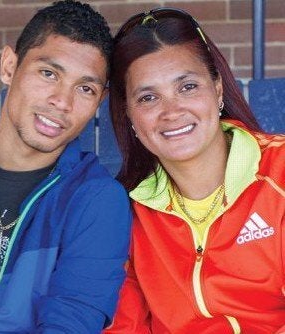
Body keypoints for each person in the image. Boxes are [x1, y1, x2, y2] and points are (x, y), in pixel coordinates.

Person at [0, 1, 132, 333]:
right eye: (49, 73)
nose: (62, 102)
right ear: (9, 66)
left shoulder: (96, 201)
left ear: (98, 102)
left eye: (85, 88)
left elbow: (73, 320)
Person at [103, 7, 285, 334]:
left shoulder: (280, 173)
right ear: (129, 115)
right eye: (148, 97)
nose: (171, 111)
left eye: (187, 87)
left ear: (217, 89)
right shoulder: (126, 215)